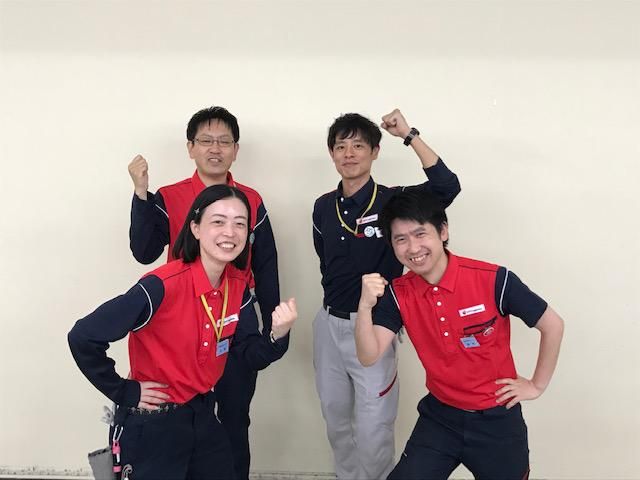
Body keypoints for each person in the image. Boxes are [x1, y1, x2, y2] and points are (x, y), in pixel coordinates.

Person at [69, 185, 296, 480]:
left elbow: (249, 354)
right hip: (153, 423)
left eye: (240, 224)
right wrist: (125, 391)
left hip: (202, 414)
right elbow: (83, 336)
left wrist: (277, 334)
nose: (230, 232)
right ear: (195, 228)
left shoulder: (237, 287)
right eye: (218, 221)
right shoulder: (161, 285)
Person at [356, 191, 564, 480]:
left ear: (443, 231)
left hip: (497, 421)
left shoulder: (493, 279)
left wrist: (536, 385)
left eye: (420, 234)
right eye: (400, 239)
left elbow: (553, 325)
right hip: (440, 418)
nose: (413, 248)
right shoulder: (398, 293)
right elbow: (368, 356)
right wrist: (364, 306)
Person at [127, 106, 282, 479]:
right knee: (179, 415)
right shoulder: (170, 196)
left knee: (234, 415)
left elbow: (266, 265)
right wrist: (141, 193)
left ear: (236, 150)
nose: (215, 148)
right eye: (206, 141)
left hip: (235, 319)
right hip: (181, 319)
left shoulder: (251, 199)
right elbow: (144, 252)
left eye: (224, 141)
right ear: (190, 147)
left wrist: (273, 327)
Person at [312, 109, 461, 479]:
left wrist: (408, 135)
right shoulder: (322, 206)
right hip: (328, 325)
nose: (349, 154)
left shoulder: (392, 202)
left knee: (373, 428)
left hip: (374, 327)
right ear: (331, 153)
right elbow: (326, 262)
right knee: (336, 421)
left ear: (375, 152)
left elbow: (447, 187)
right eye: (341, 146)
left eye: (358, 146)